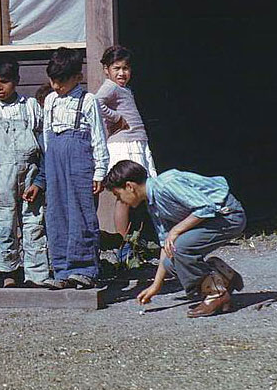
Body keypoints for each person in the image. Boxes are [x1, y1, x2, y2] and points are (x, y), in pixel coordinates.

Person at [103, 160, 246, 318]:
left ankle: (216, 294)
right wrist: (156, 286)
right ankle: (224, 276)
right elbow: (166, 243)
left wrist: (176, 230)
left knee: (180, 247)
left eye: (118, 195)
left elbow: (206, 208)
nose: (121, 201)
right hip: (213, 220)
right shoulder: (153, 204)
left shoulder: (166, 184)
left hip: (228, 216)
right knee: (171, 263)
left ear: (130, 186)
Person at [0, 59, 51, 288]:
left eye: (5, 82)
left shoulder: (30, 107)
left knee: (33, 224)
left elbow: (43, 145)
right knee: (5, 225)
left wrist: (39, 182)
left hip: (31, 174)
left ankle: (37, 274)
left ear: (16, 81)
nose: (0, 87)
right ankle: (8, 272)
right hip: (3, 175)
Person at [42, 48, 109, 289]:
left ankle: (85, 268)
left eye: (61, 80)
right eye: (53, 80)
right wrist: (49, 165)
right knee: (57, 212)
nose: (56, 85)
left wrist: (100, 170)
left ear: (76, 77)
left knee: (80, 211)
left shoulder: (87, 100)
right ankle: (61, 268)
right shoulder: (50, 100)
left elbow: (98, 137)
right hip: (55, 159)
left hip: (80, 159)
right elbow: (47, 137)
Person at [95, 45, 157, 240]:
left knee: (141, 192)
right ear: (106, 70)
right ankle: (124, 243)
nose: (122, 73)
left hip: (136, 142)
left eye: (126, 68)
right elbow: (96, 102)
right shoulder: (110, 86)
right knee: (124, 196)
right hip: (124, 145)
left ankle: (139, 238)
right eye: (116, 68)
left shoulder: (124, 89)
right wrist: (116, 118)